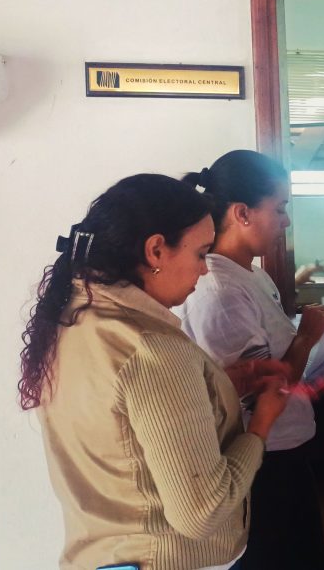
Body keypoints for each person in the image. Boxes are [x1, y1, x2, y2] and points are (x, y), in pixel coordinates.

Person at [19, 174, 290, 570]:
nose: (204, 271)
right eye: (201, 254)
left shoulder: (74, 319)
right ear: (156, 250)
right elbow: (202, 512)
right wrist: (260, 427)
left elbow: (123, 426)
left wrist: (217, 385)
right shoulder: (151, 349)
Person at [177, 150, 324, 570]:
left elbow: (283, 366)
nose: (286, 222)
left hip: (285, 450)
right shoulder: (220, 290)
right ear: (242, 213)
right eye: (280, 208)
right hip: (259, 460)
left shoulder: (253, 274)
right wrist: (306, 338)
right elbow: (257, 394)